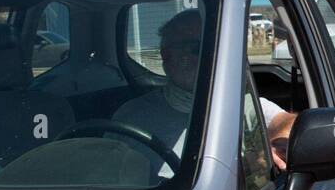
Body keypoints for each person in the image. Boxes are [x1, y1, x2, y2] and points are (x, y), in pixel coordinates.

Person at [114, 9, 295, 175]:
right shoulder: (131, 115)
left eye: (211, 48)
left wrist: (275, 145)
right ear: (166, 56)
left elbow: (290, 123)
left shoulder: (241, 105)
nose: (206, 56)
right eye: (194, 48)